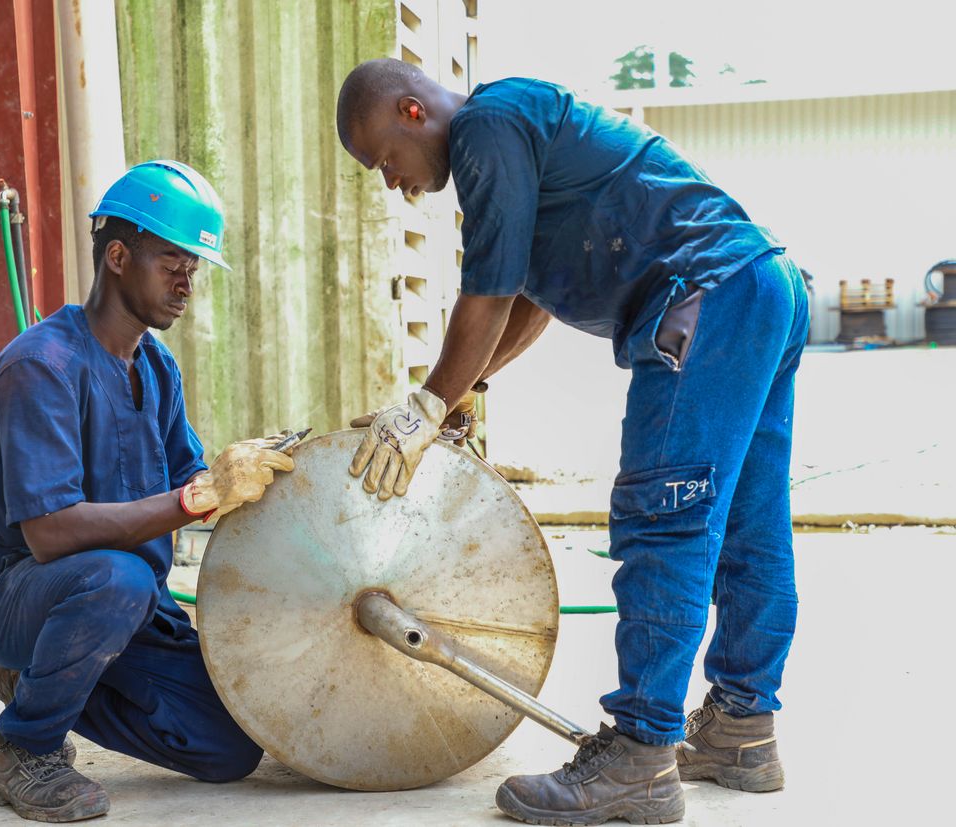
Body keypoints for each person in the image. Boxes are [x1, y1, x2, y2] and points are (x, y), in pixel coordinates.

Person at [337, 59, 807, 825]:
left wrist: (423, 405)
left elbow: (485, 295)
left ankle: (640, 756)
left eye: (383, 158)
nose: (392, 181)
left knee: (666, 515)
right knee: (750, 524)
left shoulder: (488, 127)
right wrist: (462, 397)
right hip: (758, 284)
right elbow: (526, 298)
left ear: (411, 110)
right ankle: (743, 730)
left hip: (704, 295)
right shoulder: (515, 135)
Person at [0, 160, 293, 823]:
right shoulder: (39, 367)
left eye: (193, 267)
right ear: (117, 256)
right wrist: (196, 499)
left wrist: (274, 470)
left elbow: (197, 483)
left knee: (230, 748)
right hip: (22, 593)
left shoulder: (156, 368)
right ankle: (25, 745)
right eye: (172, 260)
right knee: (117, 579)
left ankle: (42, 684)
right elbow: (49, 534)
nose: (186, 281)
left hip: (126, 603)